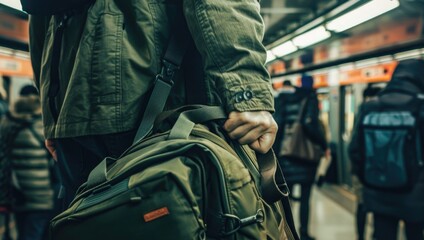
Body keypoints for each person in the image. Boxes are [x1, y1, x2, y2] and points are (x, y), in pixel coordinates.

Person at [27, 1, 278, 209]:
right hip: (155, 105)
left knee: (89, 223)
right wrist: (247, 92)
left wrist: (51, 117)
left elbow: (38, 16)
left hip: (73, 116)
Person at [349, 59, 424, 240]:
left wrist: (369, 179)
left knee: (382, 235)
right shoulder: (423, 106)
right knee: (415, 235)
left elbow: (354, 150)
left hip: (378, 191)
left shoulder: (370, 107)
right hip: (415, 195)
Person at [273, 76, 328, 240]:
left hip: (285, 155)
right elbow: (310, 125)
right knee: (305, 199)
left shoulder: (281, 99)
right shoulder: (310, 97)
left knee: (285, 201)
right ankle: (303, 234)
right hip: (306, 157)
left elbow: (278, 126)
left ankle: (286, 233)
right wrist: (324, 144)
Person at [4, 85, 57, 240]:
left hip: (17, 194)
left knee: (23, 233)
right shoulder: (43, 125)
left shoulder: (6, 124)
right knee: (35, 233)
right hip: (42, 195)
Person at [350, 85, 382, 240]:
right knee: (375, 208)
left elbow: (353, 146)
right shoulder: (377, 113)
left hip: (361, 170)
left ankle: (361, 236)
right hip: (374, 171)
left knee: (362, 206)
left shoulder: (362, 111)